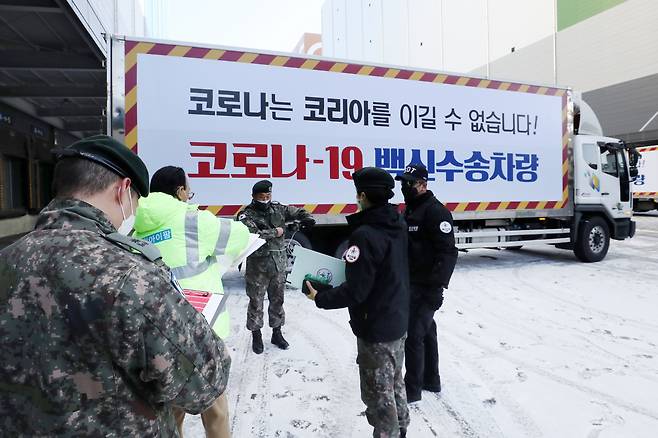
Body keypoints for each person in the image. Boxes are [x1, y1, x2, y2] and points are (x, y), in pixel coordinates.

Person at [0, 135, 231, 436]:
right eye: (135, 200)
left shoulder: (6, 260)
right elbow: (207, 380)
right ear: (123, 190)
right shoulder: (130, 276)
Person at [133, 166, 251, 438]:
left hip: (159, 330)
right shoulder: (193, 220)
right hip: (201, 325)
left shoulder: (136, 226)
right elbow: (239, 237)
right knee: (215, 407)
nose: (190, 196)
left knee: (172, 405)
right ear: (180, 191)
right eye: (189, 190)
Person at [304, 167, 410, 438]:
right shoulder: (397, 223)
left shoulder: (365, 234)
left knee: (378, 396)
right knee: (395, 382)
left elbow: (357, 291)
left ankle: (388, 434)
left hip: (375, 328)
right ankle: (402, 429)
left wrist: (321, 297)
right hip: (396, 318)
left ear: (362, 195)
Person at [395, 163, 458, 403]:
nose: (404, 187)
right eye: (403, 183)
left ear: (423, 184)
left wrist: (437, 288)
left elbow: (447, 252)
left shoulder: (436, 212)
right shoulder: (410, 210)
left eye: (409, 183)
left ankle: (412, 389)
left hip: (427, 286)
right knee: (427, 331)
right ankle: (432, 379)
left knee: (414, 335)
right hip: (412, 282)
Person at [237, 180, 315, 354]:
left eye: (268, 196)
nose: (265, 199)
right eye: (261, 197)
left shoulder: (278, 209)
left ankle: (276, 333)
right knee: (256, 302)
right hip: (258, 268)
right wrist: (278, 232)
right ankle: (256, 336)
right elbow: (252, 233)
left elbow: (297, 211)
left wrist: (306, 218)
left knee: (278, 300)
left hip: (278, 266)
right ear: (253, 197)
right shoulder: (245, 215)